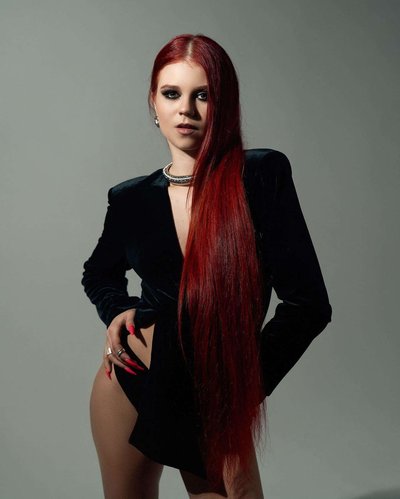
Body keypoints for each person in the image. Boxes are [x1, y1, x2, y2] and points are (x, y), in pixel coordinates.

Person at [81, 33, 332, 499]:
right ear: (154, 103)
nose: (185, 110)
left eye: (203, 95)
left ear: (224, 105)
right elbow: (98, 271)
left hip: (212, 394)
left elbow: (308, 306)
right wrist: (117, 309)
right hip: (129, 378)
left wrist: (241, 388)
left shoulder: (259, 176)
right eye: (171, 93)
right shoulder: (130, 198)